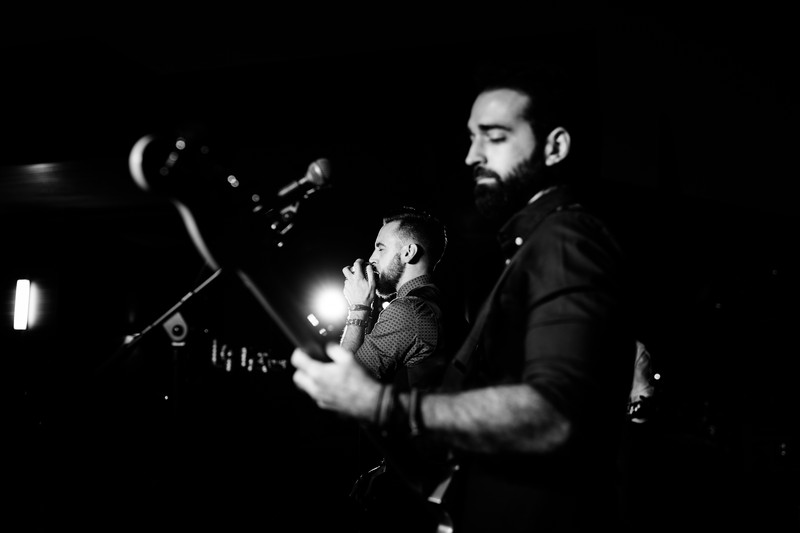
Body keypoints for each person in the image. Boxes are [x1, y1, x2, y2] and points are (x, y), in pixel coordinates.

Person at [291, 60, 637, 532]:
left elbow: (554, 414)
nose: (473, 155)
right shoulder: (534, 247)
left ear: (555, 146)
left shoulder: (564, 242)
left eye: (494, 137)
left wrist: (381, 404)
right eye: (472, 138)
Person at [340, 206, 469, 532]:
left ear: (409, 252)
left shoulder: (408, 311)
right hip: (428, 475)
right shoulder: (439, 303)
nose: (371, 259)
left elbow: (342, 385)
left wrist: (358, 308)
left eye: (380, 248)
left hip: (416, 495)